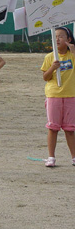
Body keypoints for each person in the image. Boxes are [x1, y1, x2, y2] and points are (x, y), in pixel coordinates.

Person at [41, 26, 75, 168]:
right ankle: (51, 157)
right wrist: (52, 68)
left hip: (70, 96)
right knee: (53, 128)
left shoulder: (72, 54)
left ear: (68, 39)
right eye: (55, 36)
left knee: (70, 129)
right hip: (53, 95)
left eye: (61, 36)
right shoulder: (50, 57)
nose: (57, 39)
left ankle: (73, 157)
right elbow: (45, 77)